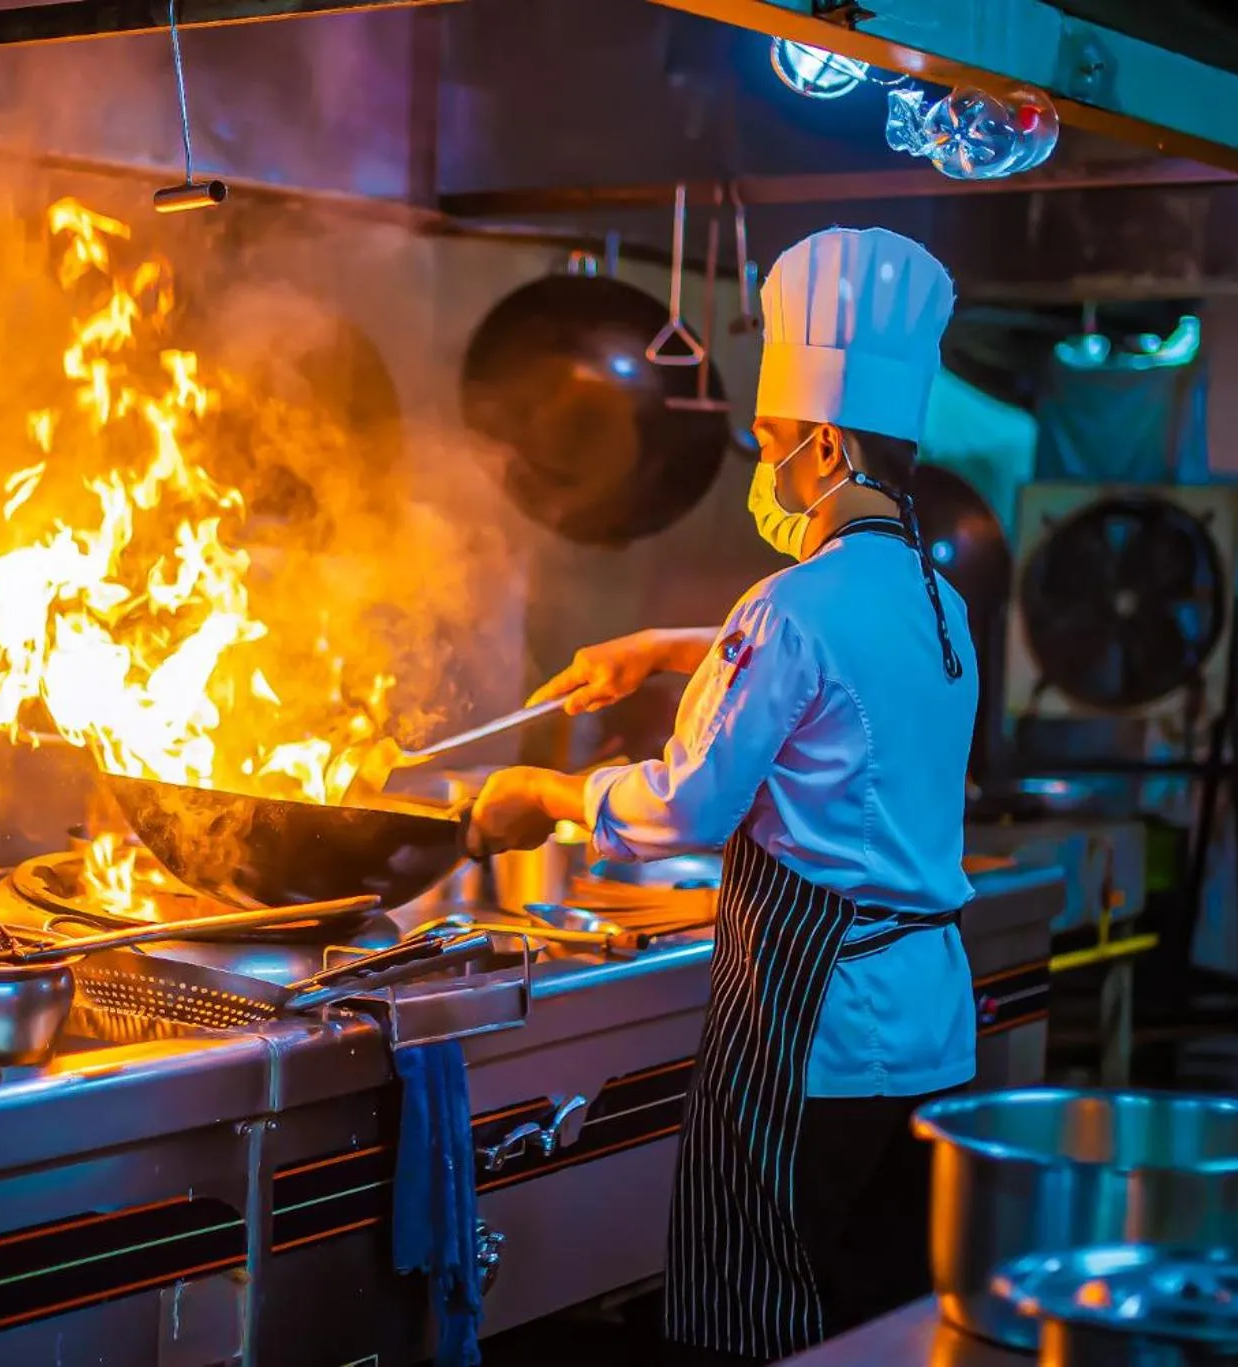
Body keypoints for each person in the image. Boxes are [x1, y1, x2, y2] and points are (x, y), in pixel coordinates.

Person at [466, 226, 978, 1364]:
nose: (763, 459)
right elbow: (845, 665)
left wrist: (548, 791)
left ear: (829, 445)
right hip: (932, 1028)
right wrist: (666, 644)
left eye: (773, 439)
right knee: (886, 1315)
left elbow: (686, 810)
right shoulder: (936, 599)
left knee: (764, 1315)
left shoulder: (788, 606)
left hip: (816, 1028)